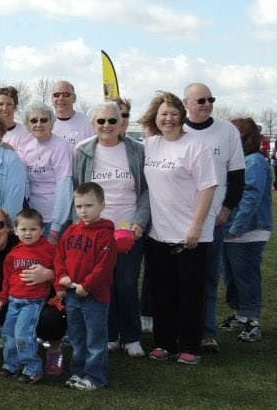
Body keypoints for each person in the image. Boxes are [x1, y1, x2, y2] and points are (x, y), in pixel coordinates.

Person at [140, 92, 217, 365]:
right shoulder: (151, 144)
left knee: (190, 293)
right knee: (162, 292)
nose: (168, 118)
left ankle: (190, 346)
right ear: (156, 117)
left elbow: (208, 187)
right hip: (158, 233)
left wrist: (196, 226)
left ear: (182, 116)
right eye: (163, 114)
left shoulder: (196, 145)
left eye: (173, 113)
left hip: (190, 234)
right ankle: (164, 343)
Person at [72, 102, 150, 357]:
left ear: (121, 123)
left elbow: (147, 190)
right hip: (96, 230)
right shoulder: (82, 151)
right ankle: (111, 333)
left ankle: (132, 336)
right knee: (102, 284)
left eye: (112, 121)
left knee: (126, 284)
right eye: (101, 121)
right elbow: (77, 189)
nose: (107, 126)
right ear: (93, 124)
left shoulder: (137, 150)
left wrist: (139, 220)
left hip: (129, 229)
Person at [182, 83, 245, 353]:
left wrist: (227, 209)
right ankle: (176, 328)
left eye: (210, 99)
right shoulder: (176, 130)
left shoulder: (227, 131)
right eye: (200, 100)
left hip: (213, 221)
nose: (207, 104)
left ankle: (207, 332)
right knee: (176, 278)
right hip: (176, 219)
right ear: (186, 103)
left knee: (208, 277)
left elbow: (237, 176)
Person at [55, 183, 117, 391]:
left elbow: (104, 266)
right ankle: (78, 372)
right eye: (79, 206)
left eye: (89, 205)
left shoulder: (105, 234)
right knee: (77, 337)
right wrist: (62, 277)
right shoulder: (71, 231)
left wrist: (87, 285)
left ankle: (95, 376)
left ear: (102, 205)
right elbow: (59, 257)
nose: (83, 211)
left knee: (95, 339)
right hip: (73, 295)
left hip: (95, 297)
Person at [220, 118, 272, 342]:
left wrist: (237, 227)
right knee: (232, 276)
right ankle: (241, 315)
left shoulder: (254, 162)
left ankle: (252, 320)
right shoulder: (240, 161)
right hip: (233, 230)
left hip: (247, 231)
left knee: (246, 276)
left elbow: (250, 197)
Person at [0, 209, 56, 383]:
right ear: (16, 230)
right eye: (23, 229)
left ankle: (33, 368)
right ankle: (11, 365)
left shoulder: (49, 250)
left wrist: (59, 290)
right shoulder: (13, 254)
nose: (28, 233)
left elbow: (59, 270)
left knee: (23, 334)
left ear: (42, 230)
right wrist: (2, 298)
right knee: (8, 334)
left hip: (33, 302)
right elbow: (8, 279)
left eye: (33, 229)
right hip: (13, 301)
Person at [20, 103, 73, 242]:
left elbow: (64, 186)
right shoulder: (28, 147)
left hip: (54, 219)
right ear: (27, 125)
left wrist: (56, 227)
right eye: (33, 120)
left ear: (52, 123)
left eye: (44, 120)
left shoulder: (60, 146)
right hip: (34, 218)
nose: (39, 124)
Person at [50, 81, 94, 148]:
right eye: (56, 95)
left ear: (74, 98)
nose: (61, 98)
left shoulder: (88, 123)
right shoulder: (44, 124)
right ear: (52, 99)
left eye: (66, 95)